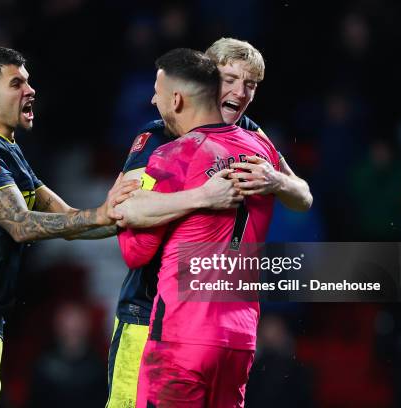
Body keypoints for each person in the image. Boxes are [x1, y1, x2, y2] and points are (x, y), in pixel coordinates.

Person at [0, 45, 241, 408]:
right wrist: (116, 212)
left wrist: (123, 213)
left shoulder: (6, 152)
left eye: (28, 82)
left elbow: (68, 218)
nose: (29, 90)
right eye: (16, 83)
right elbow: (21, 224)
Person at [106, 38, 312, 408]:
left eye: (251, 84)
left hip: (196, 321)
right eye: (231, 79)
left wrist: (277, 180)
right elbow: (125, 211)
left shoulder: (254, 137)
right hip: (148, 309)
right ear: (207, 77)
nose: (241, 92)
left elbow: (304, 196)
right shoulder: (158, 136)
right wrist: (203, 197)